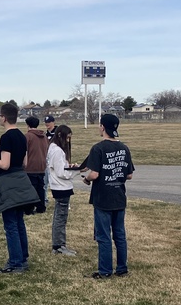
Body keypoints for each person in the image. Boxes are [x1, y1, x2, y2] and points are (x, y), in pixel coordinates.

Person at [0, 100, 39, 273]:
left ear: (4, 118)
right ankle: (23, 258)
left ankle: (15, 263)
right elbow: (24, 162)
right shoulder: (22, 136)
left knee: (10, 225)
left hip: (8, 183)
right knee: (19, 222)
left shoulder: (6, 137)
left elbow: (5, 165)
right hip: (21, 180)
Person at [83, 113, 134, 279]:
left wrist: (86, 178)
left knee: (103, 236)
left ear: (103, 127)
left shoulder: (98, 148)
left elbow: (95, 174)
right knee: (119, 235)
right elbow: (129, 175)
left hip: (103, 197)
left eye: (100, 125)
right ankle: (121, 268)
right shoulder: (124, 148)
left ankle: (105, 271)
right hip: (119, 195)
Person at [47, 124, 77, 256]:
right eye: (67, 138)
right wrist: (77, 171)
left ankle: (58, 245)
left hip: (58, 186)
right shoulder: (57, 151)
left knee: (59, 216)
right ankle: (59, 245)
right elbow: (62, 173)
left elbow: (60, 168)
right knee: (60, 217)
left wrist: (69, 166)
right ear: (61, 136)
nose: (68, 141)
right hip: (61, 186)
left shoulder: (53, 148)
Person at [24, 116, 48, 213]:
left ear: (28, 125)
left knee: (30, 188)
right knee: (40, 188)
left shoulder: (27, 136)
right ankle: (41, 207)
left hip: (30, 166)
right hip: (42, 165)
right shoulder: (44, 137)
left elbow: (24, 151)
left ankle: (29, 208)